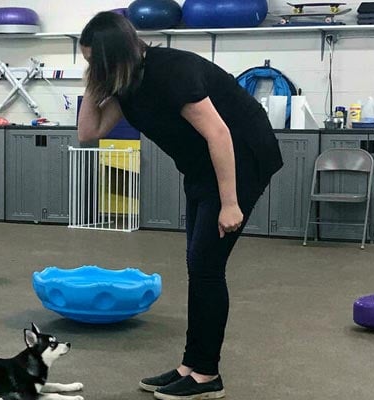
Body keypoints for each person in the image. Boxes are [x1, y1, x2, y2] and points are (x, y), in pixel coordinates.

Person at [77, 12, 283, 400]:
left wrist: (230, 203)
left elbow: (219, 134)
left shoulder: (171, 72)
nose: (91, 68)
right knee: (198, 265)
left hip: (241, 160)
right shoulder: (126, 82)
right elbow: (90, 133)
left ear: (114, 56)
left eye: (94, 61)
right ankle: (190, 366)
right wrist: (94, 82)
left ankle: (207, 375)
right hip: (201, 168)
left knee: (207, 267)